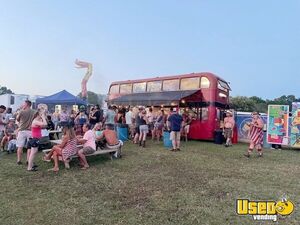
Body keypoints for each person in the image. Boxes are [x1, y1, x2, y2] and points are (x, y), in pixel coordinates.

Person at [16, 100, 36, 165]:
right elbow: (36, 120)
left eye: (24, 104)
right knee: (29, 147)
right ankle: (28, 160)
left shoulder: (21, 111)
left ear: (27, 104)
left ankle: (19, 160)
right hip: (30, 131)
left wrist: (21, 110)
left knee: (20, 146)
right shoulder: (34, 112)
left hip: (21, 130)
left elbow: (17, 119)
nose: (23, 105)